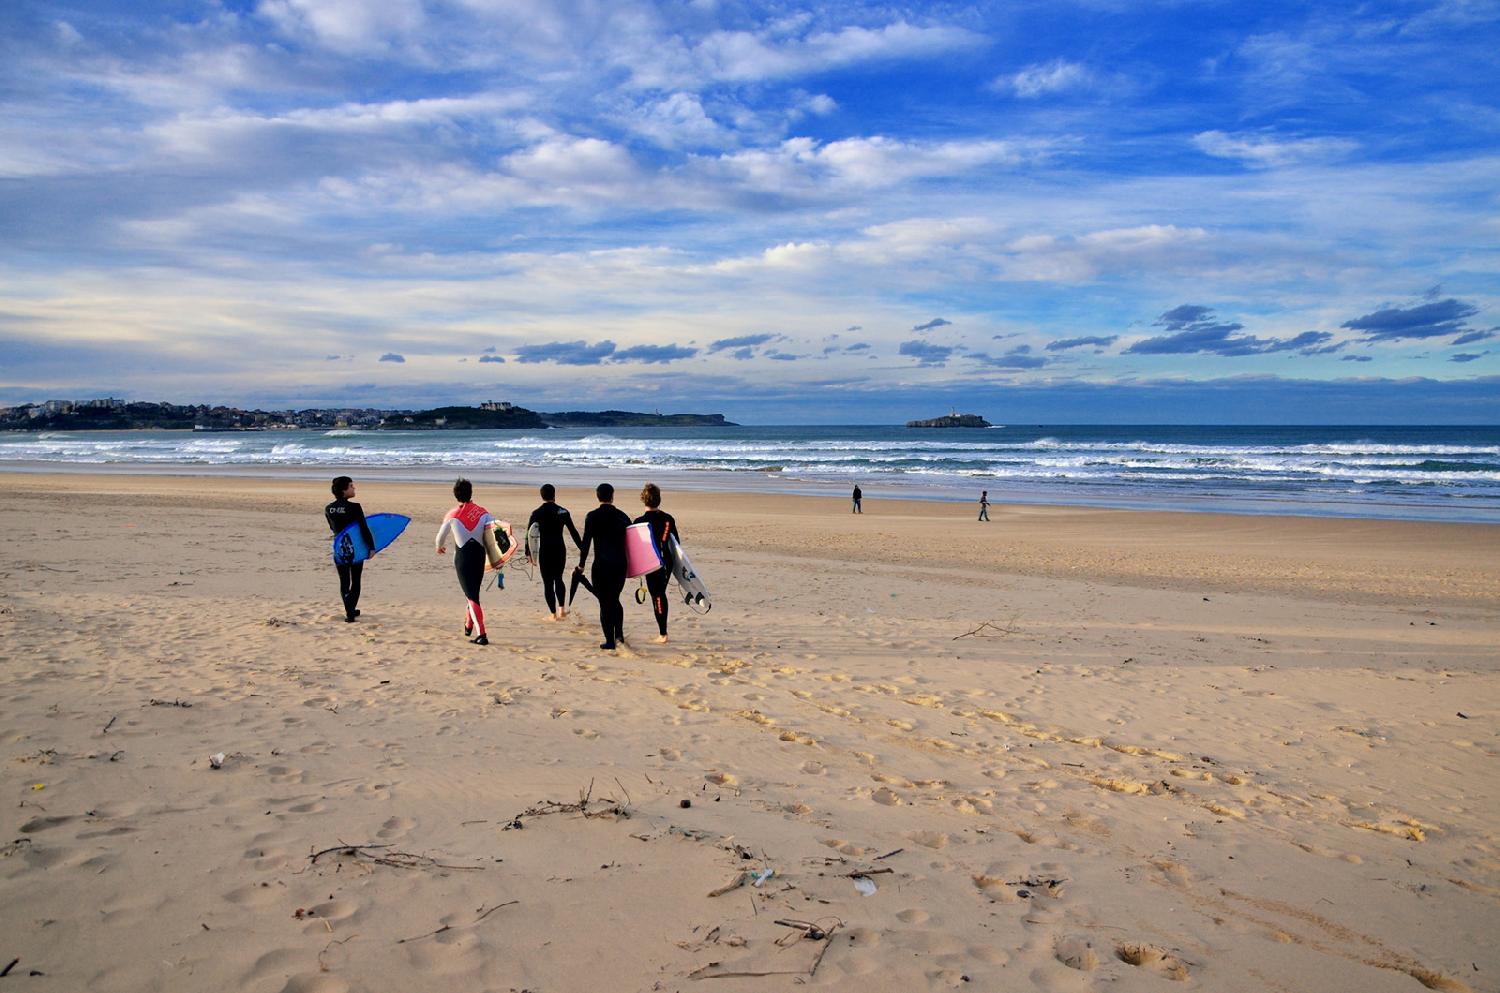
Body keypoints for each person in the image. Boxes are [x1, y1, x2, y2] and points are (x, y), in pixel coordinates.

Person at [435, 477, 494, 646]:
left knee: (471, 596)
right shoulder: (483, 513)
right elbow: (496, 529)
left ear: (455, 495)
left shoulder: (452, 515)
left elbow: (440, 538)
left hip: (463, 559)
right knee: (472, 593)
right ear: (471, 493)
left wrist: (439, 547)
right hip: (479, 556)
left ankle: (481, 634)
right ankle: (468, 625)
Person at [575, 482, 630, 651]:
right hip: (620, 565)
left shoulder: (592, 516)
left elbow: (586, 543)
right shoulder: (623, 517)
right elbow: (632, 544)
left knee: (605, 604)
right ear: (612, 496)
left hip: (601, 566)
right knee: (614, 600)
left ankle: (610, 641)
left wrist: (581, 564)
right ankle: (619, 635)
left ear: (598, 496)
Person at [527, 483, 582, 622]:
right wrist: (583, 548)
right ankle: (562, 610)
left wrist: (529, 553)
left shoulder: (537, 513)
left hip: (545, 551)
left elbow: (529, 535)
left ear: (542, 496)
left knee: (547, 583)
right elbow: (574, 533)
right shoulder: (563, 512)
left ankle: (553, 615)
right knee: (558, 579)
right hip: (559, 550)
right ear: (554, 494)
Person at [325, 476, 375, 623]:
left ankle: (349, 610)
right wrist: (371, 547)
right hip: (355, 548)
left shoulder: (329, 508)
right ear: (344, 490)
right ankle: (350, 611)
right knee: (356, 579)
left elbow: (332, 528)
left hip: (339, 548)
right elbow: (364, 529)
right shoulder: (354, 507)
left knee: (344, 580)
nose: (354, 488)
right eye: (351, 486)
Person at [634, 482, 679, 644]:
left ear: (643, 500)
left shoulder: (639, 522)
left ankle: (663, 634)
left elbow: (635, 549)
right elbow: (676, 545)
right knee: (659, 594)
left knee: (657, 595)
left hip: (651, 564)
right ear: (658, 499)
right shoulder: (668, 519)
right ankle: (662, 632)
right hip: (666, 561)